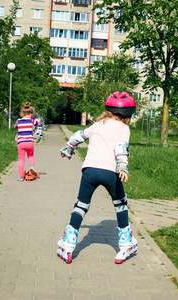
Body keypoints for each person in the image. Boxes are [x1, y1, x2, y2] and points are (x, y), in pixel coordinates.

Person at [57, 92, 138, 264]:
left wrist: (69, 148)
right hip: (110, 172)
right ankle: (125, 246)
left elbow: (79, 135)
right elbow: (121, 146)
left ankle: (68, 244)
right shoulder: (124, 128)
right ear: (129, 114)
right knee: (120, 204)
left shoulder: (97, 124)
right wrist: (123, 166)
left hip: (90, 171)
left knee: (81, 205)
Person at [14, 102, 40, 181]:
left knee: (21, 159)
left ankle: (20, 176)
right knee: (30, 156)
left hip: (21, 143)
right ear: (31, 114)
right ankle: (31, 167)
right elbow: (38, 124)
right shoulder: (31, 121)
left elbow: (15, 127)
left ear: (22, 113)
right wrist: (37, 120)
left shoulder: (18, 121)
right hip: (29, 142)